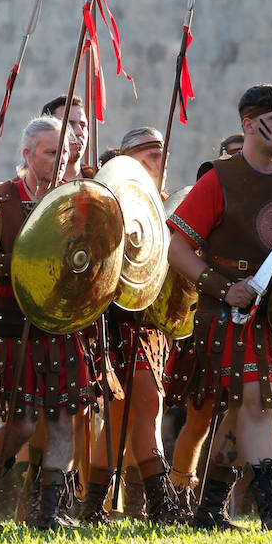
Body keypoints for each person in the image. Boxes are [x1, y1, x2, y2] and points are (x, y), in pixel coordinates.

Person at [166, 83, 272, 531]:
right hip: (227, 311)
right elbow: (177, 249)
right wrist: (220, 286)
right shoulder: (219, 179)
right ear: (249, 125)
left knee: (240, 410)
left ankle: (210, 509)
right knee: (256, 402)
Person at [0, 116, 111, 530]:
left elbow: (98, 258)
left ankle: (46, 509)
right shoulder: (1, 199)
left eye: (65, 152)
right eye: (52, 152)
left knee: (64, 417)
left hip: (65, 323)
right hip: (17, 323)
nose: (61, 158)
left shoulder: (79, 200)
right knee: (23, 422)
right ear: (27, 154)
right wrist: (24, 265)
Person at [93, 127, 187, 524]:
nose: (159, 161)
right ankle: (160, 504)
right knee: (142, 404)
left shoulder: (165, 206)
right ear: (127, 160)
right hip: (112, 320)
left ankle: (91, 504)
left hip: (149, 323)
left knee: (128, 412)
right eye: (149, 154)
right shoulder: (109, 199)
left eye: (161, 153)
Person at [41, 95, 89, 179]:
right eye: (69, 125)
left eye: (83, 126)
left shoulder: (102, 182)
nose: (79, 132)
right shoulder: (25, 188)